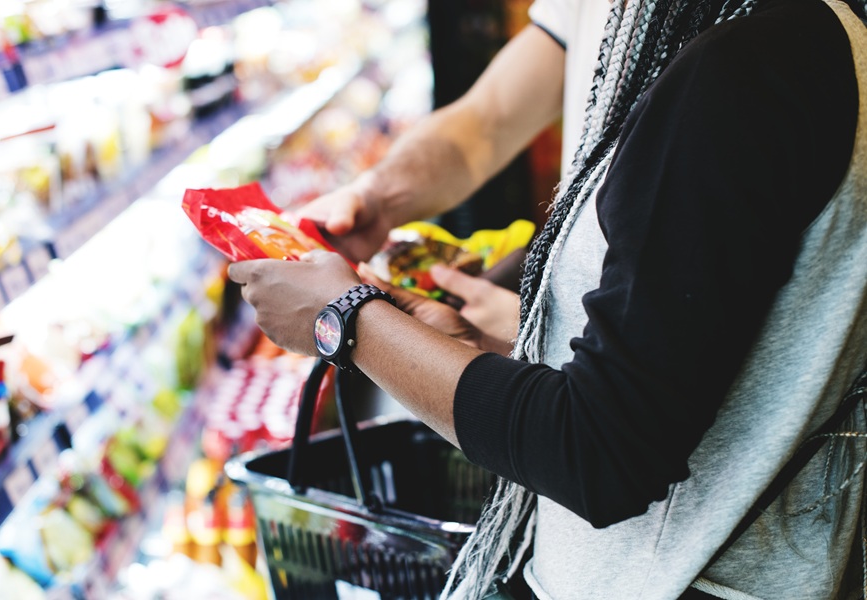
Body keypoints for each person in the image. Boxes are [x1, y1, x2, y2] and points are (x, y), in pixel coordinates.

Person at [227, 0, 867, 597]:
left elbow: (600, 454)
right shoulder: (819, 35)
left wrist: (344, 321)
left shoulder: (741, 75)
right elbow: (699, 360)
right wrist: (489, 348)